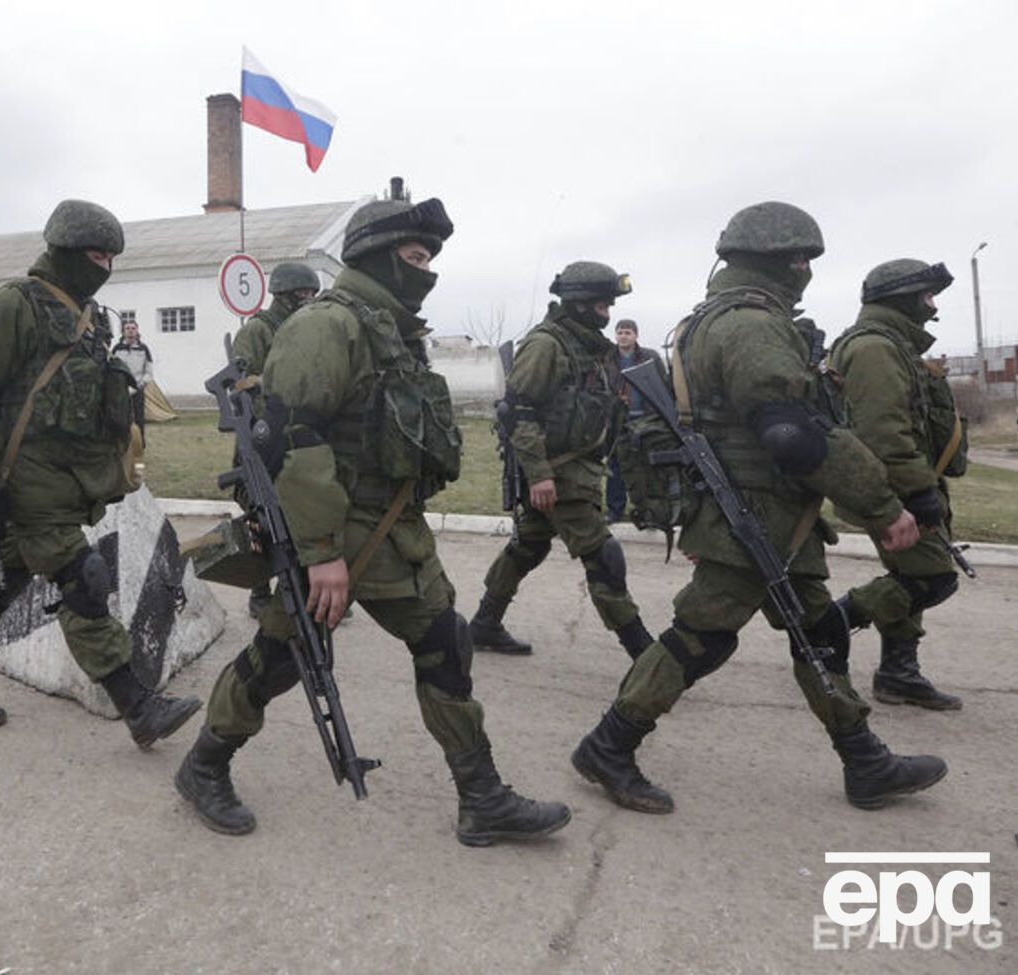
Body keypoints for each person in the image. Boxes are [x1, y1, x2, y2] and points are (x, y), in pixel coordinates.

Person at [175, 195, 571, 847]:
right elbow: (295, 441)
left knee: (446, 642)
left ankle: (483, 798)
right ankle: (204, 765)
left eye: (428, 258)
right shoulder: (325, 326)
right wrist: (323, 549)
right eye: (414, 257)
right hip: (335, 533)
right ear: (378, 258)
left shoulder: (390, 330)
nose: (425, 270)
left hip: (395, 532)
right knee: (281, 657)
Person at [570, 201, 946, 815]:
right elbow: (791, 432)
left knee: (819, 633)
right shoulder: (750, 323)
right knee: (701, 638)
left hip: (776, 518)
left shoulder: (724, 316)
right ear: (768, 262)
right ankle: (608, 745)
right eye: (797, 259)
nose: (805, 270)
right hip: (751, 517)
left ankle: (864, 759)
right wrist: (881, 506)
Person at [0, 199, 201, 750]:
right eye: (97, 255)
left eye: (112, 258)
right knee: (82, 580)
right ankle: (137, 705)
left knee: (3, 580)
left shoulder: (88, 317)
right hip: (23, 483)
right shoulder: (13, 305)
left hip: (64, 483)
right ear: (65, 250)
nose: (105, 266)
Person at [468, 263, 655, 659]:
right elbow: (518, 411)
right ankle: (645, 653)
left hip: (578, 470)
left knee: (528, 548)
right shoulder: (547, 345)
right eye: (601, 306)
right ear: (579, 304)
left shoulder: (588, 347)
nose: (606, 315)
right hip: (556, 474)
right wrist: (538, 476)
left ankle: (484, 623)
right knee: (603, 556)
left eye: (609, 307)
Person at [830, 260, 965, 711]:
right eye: (927, 294)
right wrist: (917, 491)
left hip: (903, 482)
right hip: (891, 488)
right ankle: (830, 623)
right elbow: (883, 432)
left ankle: (898, 673)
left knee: (911, 575)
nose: (933, 304)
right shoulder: (874, 349)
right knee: (934, 578)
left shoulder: (892, 345)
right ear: (900, 297)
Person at [230, 260, 321, 618]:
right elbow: (236, 381)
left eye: (313, 293)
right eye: (303, 293)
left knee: (299, 510)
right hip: (262, 435)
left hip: (297, 434)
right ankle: (259, 590)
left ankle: (300, 586)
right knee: (259, 511)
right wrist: (268, 389)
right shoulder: (258, 329)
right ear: (283, 294)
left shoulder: (307, 330)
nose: (309, 299)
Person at [605, 320, 667, 523]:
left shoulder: (650, 357)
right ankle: (615, 510)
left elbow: (662, 385)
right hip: (617, 421)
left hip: (646, 419)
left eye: (628, 332)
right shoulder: (608, 359)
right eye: (620, 332)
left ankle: (650, 511)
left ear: (636, 335)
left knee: (647, 466)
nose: (623, 336)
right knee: (616, 466)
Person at [111, 319, 154, 437]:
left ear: (137, 331)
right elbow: (111, 368)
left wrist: (138, 386)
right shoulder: (116, 349)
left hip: (137, 389)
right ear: (123, 331)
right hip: (120, 390)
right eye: (127, 328)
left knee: (139, 418)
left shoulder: (144, 349)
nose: (130, 331)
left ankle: (140, 445)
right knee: (120, 418)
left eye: (133, 328)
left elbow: (149, 373)